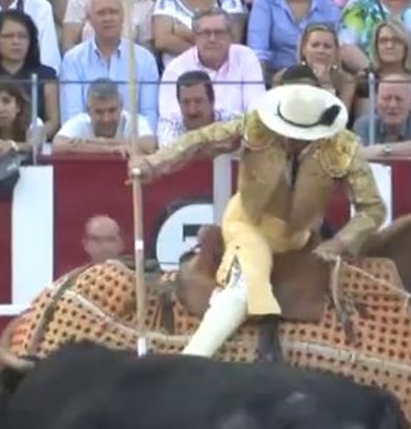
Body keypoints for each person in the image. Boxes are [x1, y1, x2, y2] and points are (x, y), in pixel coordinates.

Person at [128, 83, 386, 361]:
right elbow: (200, 140)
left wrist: (339, 242)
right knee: (245, 285)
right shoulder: (257, 125)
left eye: (301, 135)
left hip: (298, 237)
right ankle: (190, 361)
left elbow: (372, 208)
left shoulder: (343, 147)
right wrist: (153, 164)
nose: (291, 140)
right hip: (246, 222)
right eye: (288, 131)